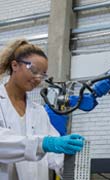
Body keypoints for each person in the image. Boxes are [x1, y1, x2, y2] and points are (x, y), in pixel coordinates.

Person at [0, 39, 84, 180]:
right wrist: (43, 144)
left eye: (43, 74)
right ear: (15, 65)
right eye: (34, 70)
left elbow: (55, 154)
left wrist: (72, 162)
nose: (38, 78)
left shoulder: (39, 111)